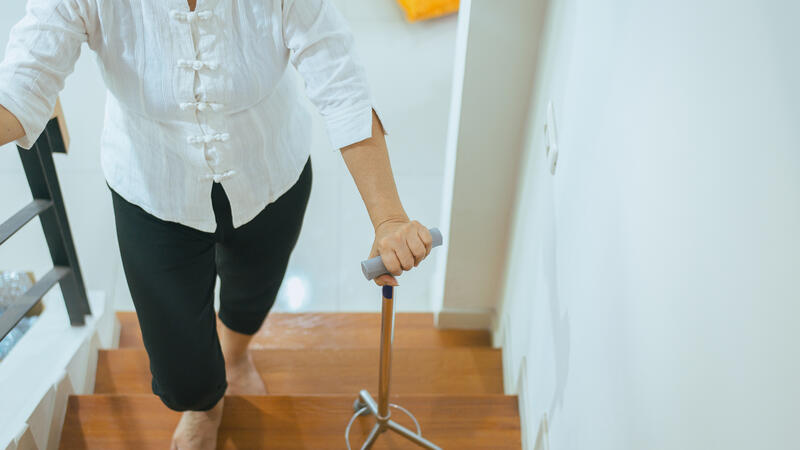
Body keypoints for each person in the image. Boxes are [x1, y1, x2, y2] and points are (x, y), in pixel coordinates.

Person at [0, 0, 434, 448]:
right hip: (152, 186)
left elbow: (339, 79)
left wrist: (388, 217)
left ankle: (236, 355)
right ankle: (203, 406)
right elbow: (21, 84)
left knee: (253, 287)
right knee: (176, 349)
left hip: (268, 172)